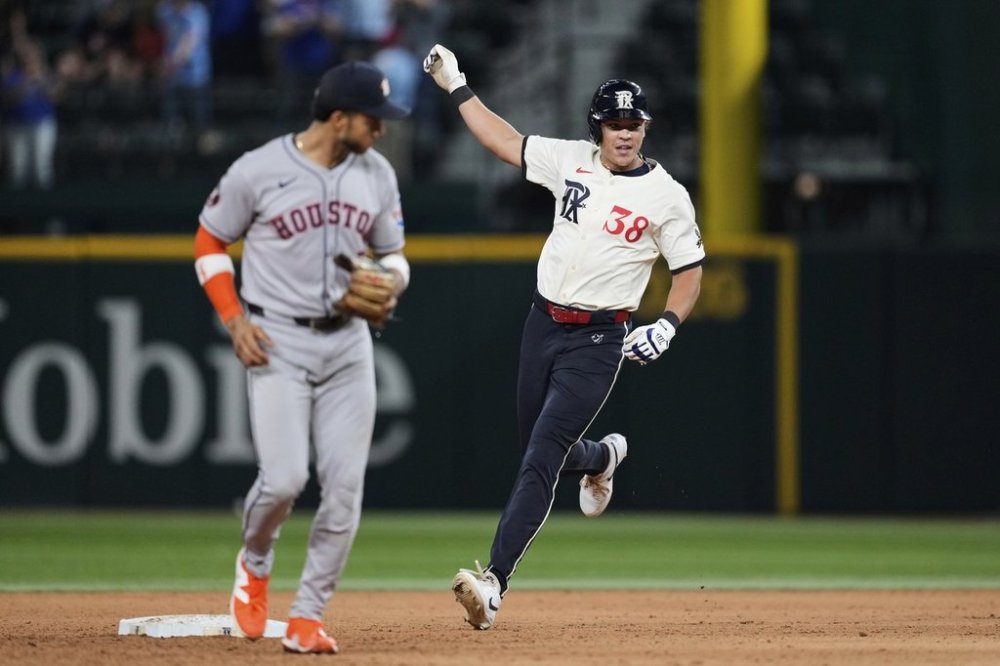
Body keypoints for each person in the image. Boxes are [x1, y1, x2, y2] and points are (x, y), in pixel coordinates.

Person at [423, 44, 705, 630]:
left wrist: (668, 325)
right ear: (597, 128)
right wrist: (456, 84)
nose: (624, 134)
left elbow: (690, 274)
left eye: (634, 124)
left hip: (600, 340)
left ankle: (494, 583)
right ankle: (602, 457)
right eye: (614, 124)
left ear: (645, 128)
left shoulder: (667, 197)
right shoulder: (571, 160)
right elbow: (504, 140)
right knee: (540, 449)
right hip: (542, 322)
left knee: (541, 457)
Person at [192, 60, 411, 654]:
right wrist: (233, 319)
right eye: (373, 119)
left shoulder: (377, 175)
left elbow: (395, 254)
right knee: (286, 479)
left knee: (344, 489)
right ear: (338, 118)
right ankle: (255, 557)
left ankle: (309, 615)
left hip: (347, 344)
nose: (382, 130)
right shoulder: (259, 170)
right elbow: (210, 239)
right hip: (277, 339)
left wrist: (391, 281)